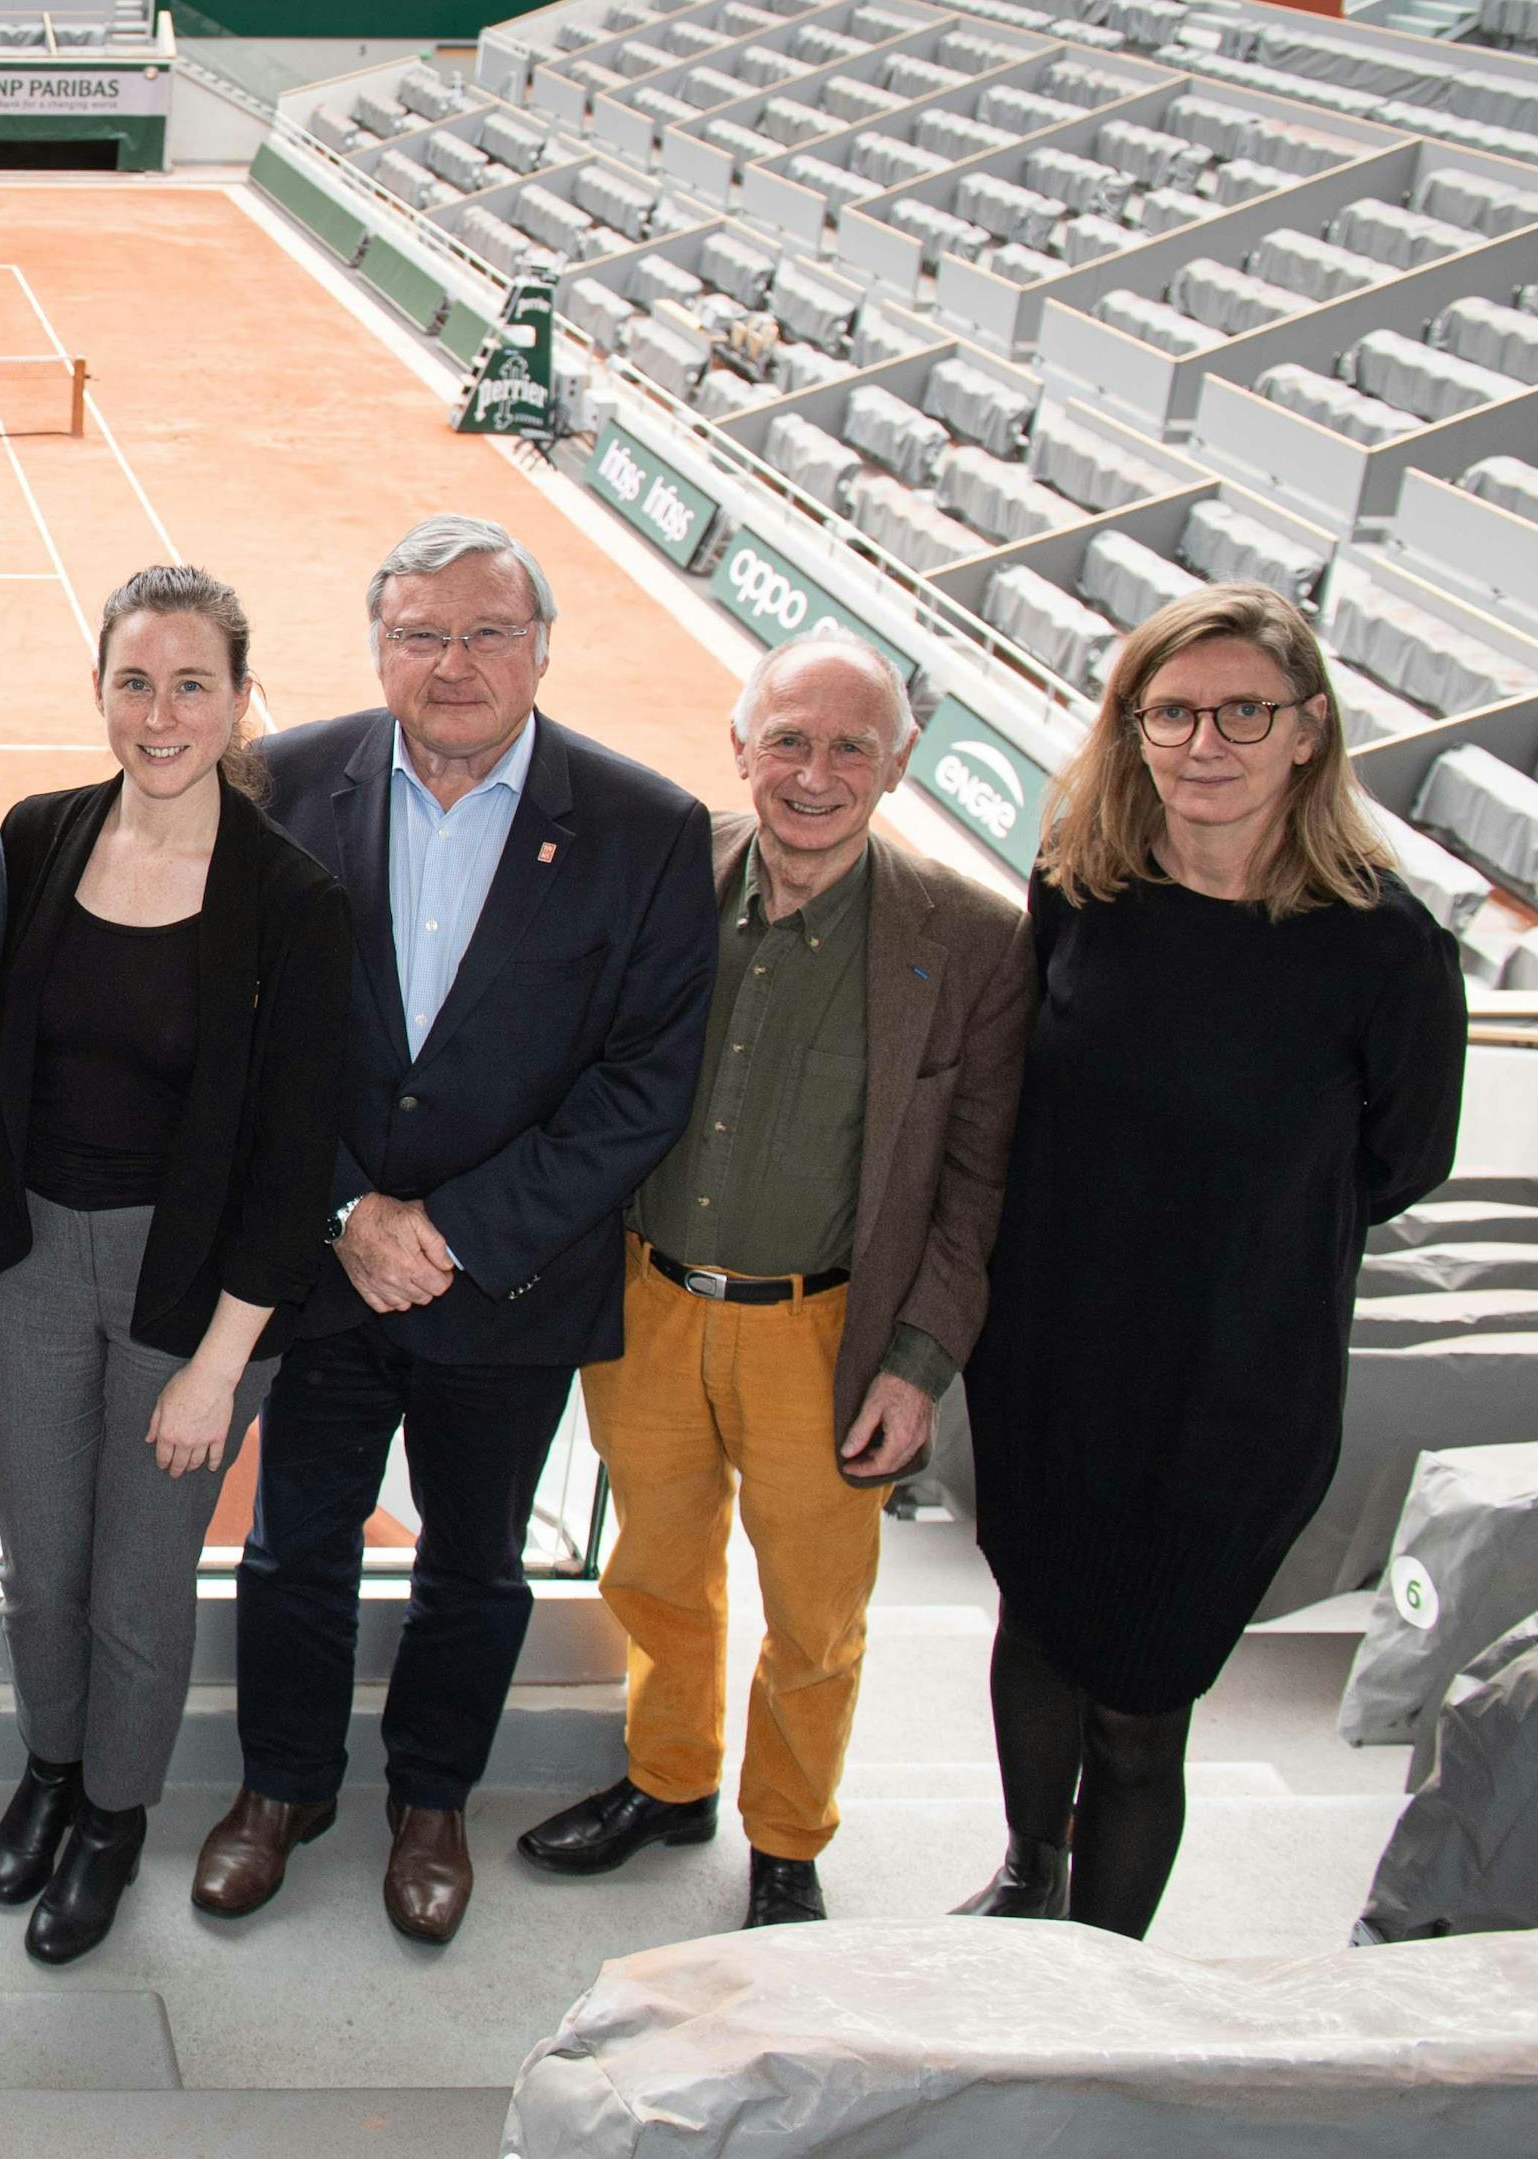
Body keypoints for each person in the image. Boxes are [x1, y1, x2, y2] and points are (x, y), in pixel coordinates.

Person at [199, 514, 717, 1946]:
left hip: (511, 1284)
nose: (455, 662)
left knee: (474, 1563)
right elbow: (238, 1028)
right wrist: (349, 1207)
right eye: (422, 633)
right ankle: (281, 1792)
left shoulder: (648, 828)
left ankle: (431, 1803)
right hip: (322, 1266)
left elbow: (643, 1087)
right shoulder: (283, 782)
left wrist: (455, 1229)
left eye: (489, 631)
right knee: (293, 1547)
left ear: (543, 646)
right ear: (377, 648)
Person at [954, 582, 1463, 1939]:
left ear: (1309, 731)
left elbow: (1407, 1161)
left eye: (1245, 709)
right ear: (1132, 731)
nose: (1204, 740)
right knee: (1040, 1632)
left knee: (1139, 1702)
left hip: (1232, 1394)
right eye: (1169, 711)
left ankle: (1103, 1975)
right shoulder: (1080, 891)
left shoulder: (1389, 948)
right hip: (1052, 1360)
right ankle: (1026, 1878)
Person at [513, 630, 1033, 1928]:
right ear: (739, 748)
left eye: (852, 744)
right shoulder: (666, 877)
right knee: (655, 1573)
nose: (815, 772)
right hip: (646, 1300)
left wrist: (920, 1365)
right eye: (788, 740)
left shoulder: (971, 939)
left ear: (900, 765)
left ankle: (788, 1843)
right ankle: (671, 1782)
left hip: (829, 1336)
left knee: (815, 1620)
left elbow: (978, 1189)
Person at [0, 567, 352, 1966]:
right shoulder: (42, 837)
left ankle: (115, 1818)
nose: (162, 711)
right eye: (136, 681)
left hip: (196, 1295)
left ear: (240, 698)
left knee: (135, 1589)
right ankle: (53, 1772)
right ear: (101, 692)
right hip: (28, 1262)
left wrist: (218, 1369)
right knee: (39, 1573)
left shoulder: (295, 903)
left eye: (194, 683)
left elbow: (295, 1160)